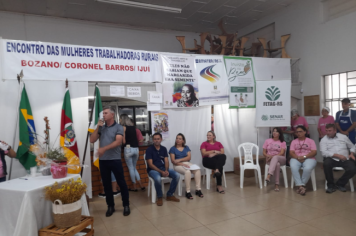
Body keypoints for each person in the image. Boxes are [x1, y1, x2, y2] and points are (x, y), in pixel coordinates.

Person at [90, 106, 130, 217]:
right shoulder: (101, 128)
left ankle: (126, 205)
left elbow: (118, 142)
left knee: (121, 183)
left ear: (112, 114)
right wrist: (98, 127)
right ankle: (110, 206)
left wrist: (104, 148)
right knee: (106, 185)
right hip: (103, 161)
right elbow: (92, 139)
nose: (103, 115)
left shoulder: (119, 127)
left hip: (115, 159)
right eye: (103, 113)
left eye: (106, 113)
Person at [145, 133, 180, 206]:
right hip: (153, 170)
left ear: (161, 139)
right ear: (153, 140)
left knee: (177, 175)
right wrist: (161, 172)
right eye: (155, 139)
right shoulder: (149, 150)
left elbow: (166, 161)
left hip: (163, 168)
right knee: (157, 178)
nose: (156, 140)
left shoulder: (164, 149)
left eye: (158, 139)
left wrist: (166, 170)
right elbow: (150, 165)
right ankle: (159, 197)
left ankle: (170, 195)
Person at [320, 124, 356, 193]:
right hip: (331, 158)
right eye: (326, 131)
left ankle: (340, 184)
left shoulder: (343, 137)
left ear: (335, 131)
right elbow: (324, 152)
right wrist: (337, 155)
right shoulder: (324, 140)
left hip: (345, 159)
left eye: (330, 130)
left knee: (352, 168)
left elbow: (352, 146)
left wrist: (351, 153)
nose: (327, 132)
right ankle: (330, 185)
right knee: (326, 164)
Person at [169, 133, 203, 199]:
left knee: (197, 170)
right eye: (177, 138)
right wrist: (181, 163)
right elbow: (173, 161)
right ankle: (188, 191)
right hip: (177, 165)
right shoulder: (172, 149)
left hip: (186, 163)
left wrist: (179, 160)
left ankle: (198, 189)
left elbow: (189, 158)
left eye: (180, 139)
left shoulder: (186, 147)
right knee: (187, 172)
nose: (178, 140)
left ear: (183, 141)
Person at [290, 125, 317, 196]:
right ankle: (301, 186)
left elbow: (314, 152)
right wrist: (298, 157)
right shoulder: (294, 141)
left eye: (300, 131)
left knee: (307, 168)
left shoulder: (311, 141)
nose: (298, 133)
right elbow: (291, 152)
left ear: (305, 132)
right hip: (296, 158)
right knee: (293, 167)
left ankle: (301, 185)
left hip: (309, 158)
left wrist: (304, 157)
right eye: (297, 132)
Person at [120, 114, 145, 192]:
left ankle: (134, 187)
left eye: (120, 119)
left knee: (131, 168)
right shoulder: (134, 128)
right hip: (136, 149)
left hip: (128, 149)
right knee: (134, 168)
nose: (119, 121)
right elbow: (140, 139)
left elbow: (123, 141)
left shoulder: (123, 128)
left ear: (122, 120)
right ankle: (141, 185)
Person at [263, 128, 287, 192]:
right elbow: (264, 152)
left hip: (281, 158)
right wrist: (267, 156)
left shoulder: (282, 142)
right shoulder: (267, 141)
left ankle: (269, 175)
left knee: (276, 158)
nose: (274, 133)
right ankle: (276, 184)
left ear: (279, 133)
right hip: (269, 159)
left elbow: (282, 153)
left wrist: (272, 156)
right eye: (273, 131)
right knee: (277, 164)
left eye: (276, 132)